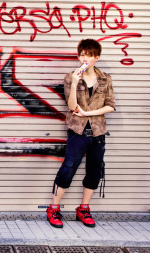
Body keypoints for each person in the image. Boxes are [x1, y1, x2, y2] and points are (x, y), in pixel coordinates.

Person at [47, 39, 116, 228]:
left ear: (97, 57)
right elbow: (70, 107)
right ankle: (54, 208)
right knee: (68, 168)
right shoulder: (71, 77)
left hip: (98, 132)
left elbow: (110, 106)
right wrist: (76, 81)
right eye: (81, 54)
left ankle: (84, 208)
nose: (84, 58)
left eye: (88, 54)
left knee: (94, 170)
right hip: (77, 130)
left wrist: (88, 113)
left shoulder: (105, 79)